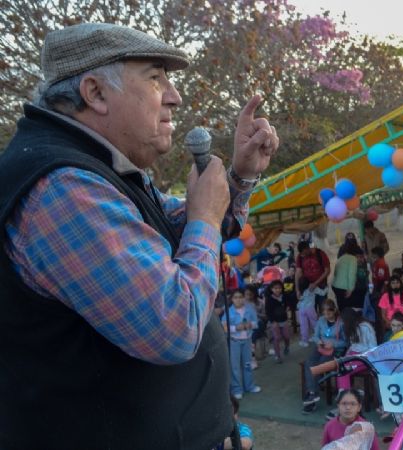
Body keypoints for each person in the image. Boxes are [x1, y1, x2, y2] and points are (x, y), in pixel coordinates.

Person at [0, 22, 280, 448]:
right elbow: (175, 325)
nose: (174, 96)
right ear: (95, 93)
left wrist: (238, 177)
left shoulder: (100, 166)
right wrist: (206, 217)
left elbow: (176, 228)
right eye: (155, 78)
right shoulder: (62, 188)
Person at [303, 299, 347, 414]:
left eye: (329, 312)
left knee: (320, 365)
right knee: (309, 363)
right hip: (321, 347)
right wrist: (318, 341)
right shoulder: (321, 320)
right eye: (324, 312)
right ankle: (313, 393)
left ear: (334, 310)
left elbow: (346, 342)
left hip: (334, 350)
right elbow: (315, 335)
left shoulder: (341, 323)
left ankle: (312, 395)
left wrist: (333, 344)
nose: (326, 315)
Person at [221, 289, 262, 399]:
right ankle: (237, 389)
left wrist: (250, 325)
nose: (238, 300)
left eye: (240, 297)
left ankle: (249, 386)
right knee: (234, 367)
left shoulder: (250, 309)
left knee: (247, 364)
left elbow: (256, 323)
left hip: (247, 341)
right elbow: (224, 327)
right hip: (234, 341)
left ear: (244, 298)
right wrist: (236, 328)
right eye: (236, 297)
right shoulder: (228, 311)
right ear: (232, 299)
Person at [336, 308, 377, 391]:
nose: (342, 323)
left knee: (346, 369)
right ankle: (344, 392)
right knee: (340, 367)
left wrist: (362, 356)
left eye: (343, 321)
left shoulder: (366, 327)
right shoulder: (351, 327)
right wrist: (346, 356)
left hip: (365, 357)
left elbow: (373, 347)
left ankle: (345, 394)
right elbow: (353, 345)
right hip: (354, 354)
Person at [295, 241, 331, 313]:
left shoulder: (320, 254)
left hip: (321, 287)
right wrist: (297, 290)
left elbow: (327, 271)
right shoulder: (300, 256)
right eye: (302, 254)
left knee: (323, 309)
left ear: (308, 248)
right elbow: (298, 273)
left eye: (305, 253)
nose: (304, 255)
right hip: (308, 289)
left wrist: (315, 283)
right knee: (311, 310)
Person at [264, 280, 291, 363]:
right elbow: (268, 312)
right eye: (275, 288)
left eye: (279, 288)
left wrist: (287, 307)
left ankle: (287, 347)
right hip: (274, 321)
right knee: (276, 338)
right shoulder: (269, 299)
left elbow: (288, 304)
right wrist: (273, 321)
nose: (277, 290)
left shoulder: (284, 296)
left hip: (283, 320)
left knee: (287, 336)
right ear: (271, 289)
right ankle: (278, 355)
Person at [332, 240, 359, 310]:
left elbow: (335, 273)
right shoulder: (353, 259)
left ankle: (342, 316)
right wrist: (350, 289)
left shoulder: (341, 258)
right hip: (344, 288)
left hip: (335, 286)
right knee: (347, 308)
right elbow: (352, 275)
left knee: (341, 307)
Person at [296, 277, 324, 347]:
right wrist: (327, 288)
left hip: (301, 309)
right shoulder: (313, 288)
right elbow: (322, 293)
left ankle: (304, 341)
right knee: (315, 324)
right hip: (310, 309)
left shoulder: (300, 291)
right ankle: (318, 337)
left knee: (303, 326)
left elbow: (300, 299)